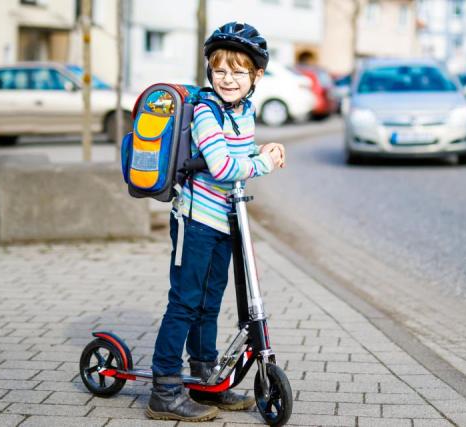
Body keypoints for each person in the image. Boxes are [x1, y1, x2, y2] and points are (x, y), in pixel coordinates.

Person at [146, 22, 285, 422]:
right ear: (209, 69)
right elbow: (223, 166)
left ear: (256, 76)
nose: (228, 79)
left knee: (209, 303)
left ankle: (204, 378)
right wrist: (266, 163)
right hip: (196, 220)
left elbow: (234, 150)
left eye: (239, 72)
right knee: (185, 302)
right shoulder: (207, 110)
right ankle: (165, 389)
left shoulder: (245, 109)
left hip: (225, 221)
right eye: (220, 69)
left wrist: (262, 149)